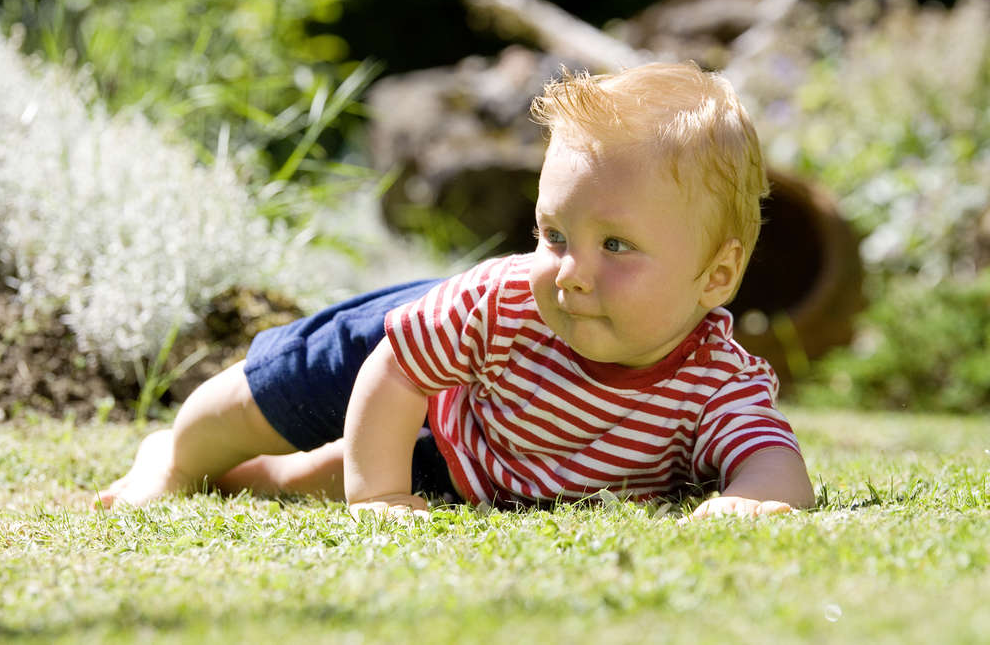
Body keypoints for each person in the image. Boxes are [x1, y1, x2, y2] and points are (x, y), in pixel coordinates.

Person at [96, 61, 815, 521]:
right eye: (554, 234)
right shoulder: (505, 302)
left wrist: (751, 501)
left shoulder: (713, 379)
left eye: (616, 246)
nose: (570, 270)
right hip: (411, 349)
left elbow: (770, 455)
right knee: (267, 397)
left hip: (466, 454)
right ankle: (175, 454)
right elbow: (396, 368)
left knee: (295, 479)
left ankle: (257, 475)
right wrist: (377, 496)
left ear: (715, 276)